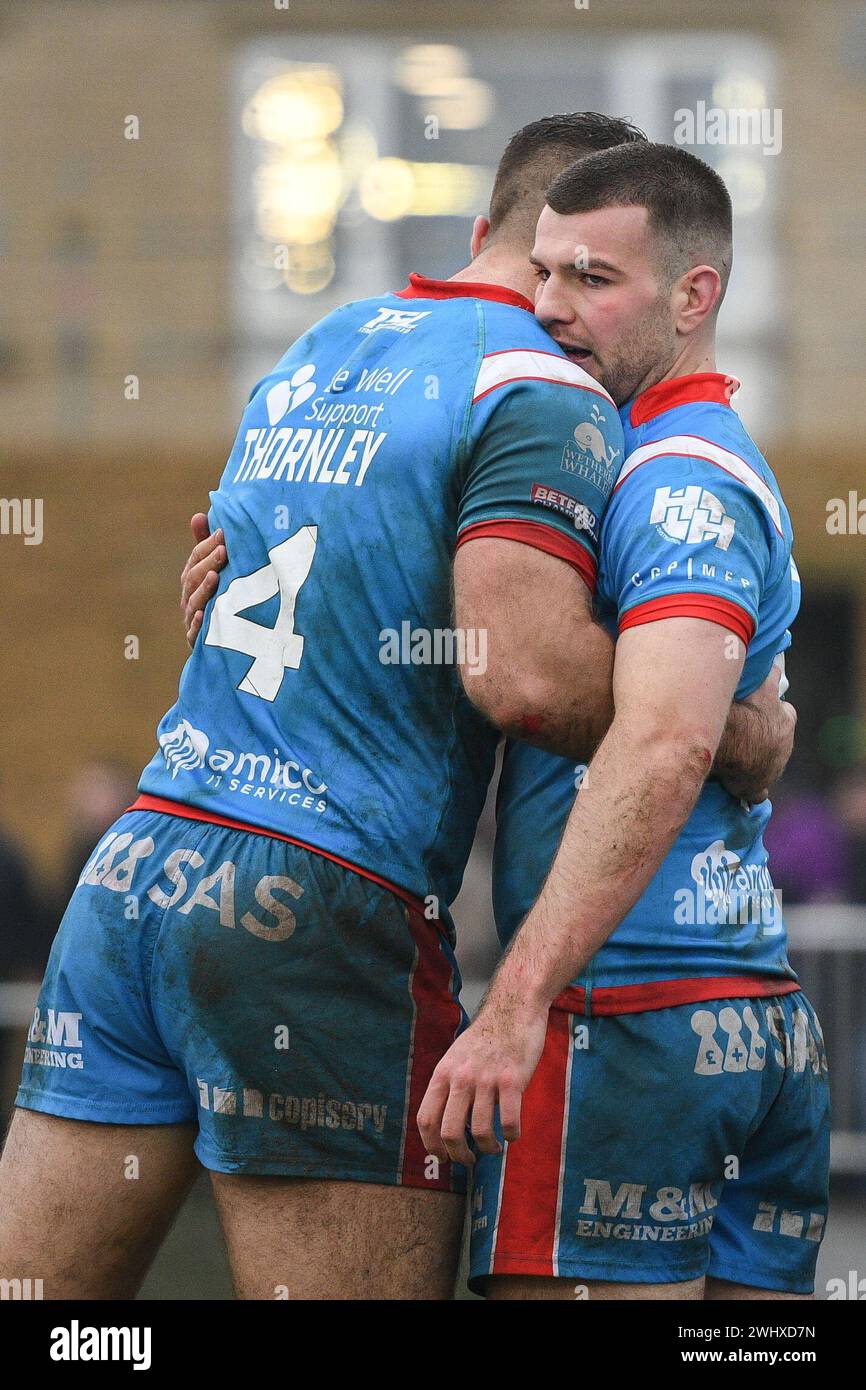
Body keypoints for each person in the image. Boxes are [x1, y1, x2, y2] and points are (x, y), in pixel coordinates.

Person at [0, 115, 790, 1302]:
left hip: (136, 871)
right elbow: (517, 675)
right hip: (311, 902)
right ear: (550, 254)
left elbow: (238, 596)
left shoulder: (321, 346)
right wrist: (737, 732)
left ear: (474, 229)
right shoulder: (537, 382)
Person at [418, 142, 828, 1301]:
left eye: (592, 279)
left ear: (694, 295)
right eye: (541, 273)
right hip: (748, 1019)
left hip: (621, 1019)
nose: (549, 309)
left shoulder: (673, 472)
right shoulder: (638, 455)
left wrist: (513, 1006)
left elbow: (665, 739)